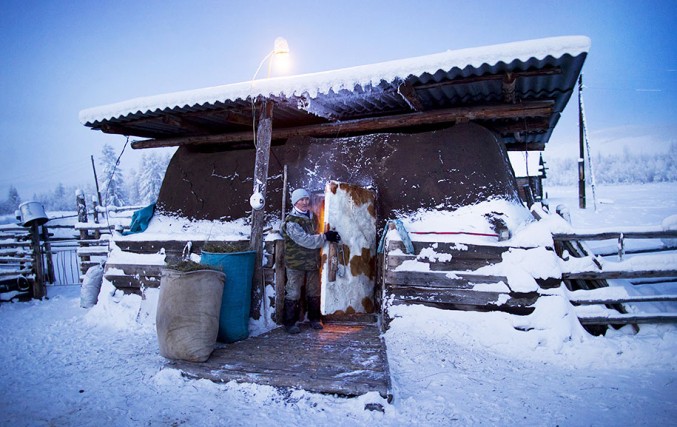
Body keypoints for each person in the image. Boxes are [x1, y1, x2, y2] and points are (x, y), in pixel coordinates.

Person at [281, 188, 340, 334]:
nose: (305, 202)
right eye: (301, 200)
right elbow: (306, 240)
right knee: (293, 292)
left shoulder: (313, 216)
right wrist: (325, 237)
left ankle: (314, 319)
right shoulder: (291, 222)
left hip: (312, 261)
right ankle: (290, 323)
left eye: (306, 199)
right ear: (295, 202)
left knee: (314, 290)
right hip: (296, 263)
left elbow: (316, 233)